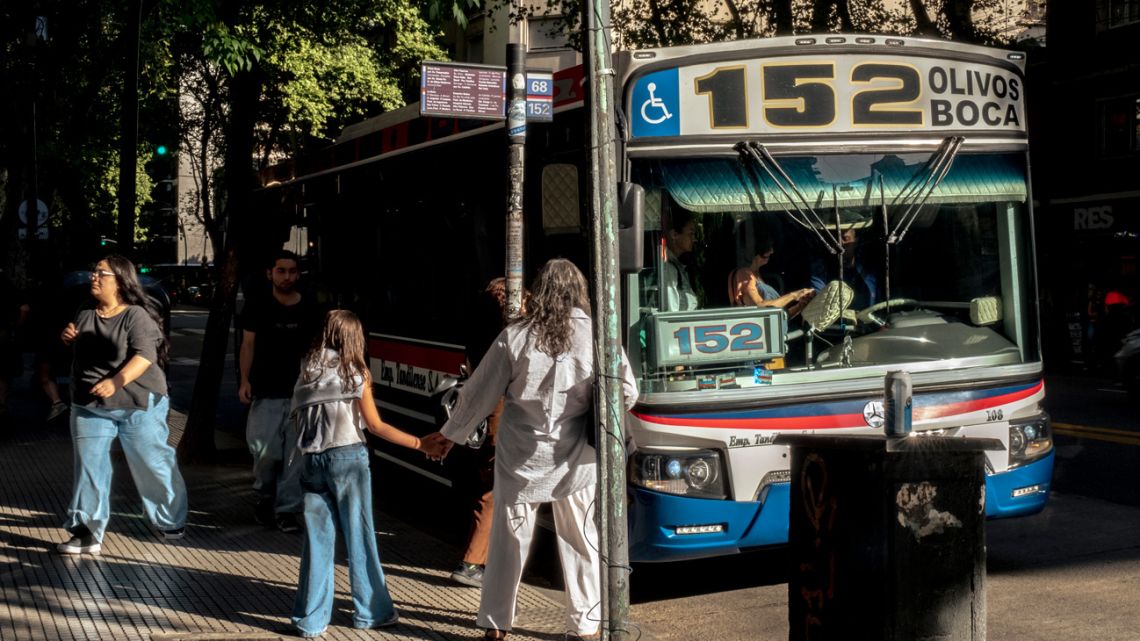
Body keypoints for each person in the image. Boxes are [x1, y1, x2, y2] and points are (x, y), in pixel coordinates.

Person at [427, 259, 639, 641]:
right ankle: (585, 625)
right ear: (580, 293)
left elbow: (478, 393)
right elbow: (627, 390)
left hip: (521, 456)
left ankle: (495, 625)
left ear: (539, 291)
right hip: (577, 458)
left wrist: (448, 435)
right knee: (581, 542)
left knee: (508, 544)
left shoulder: (517, 336)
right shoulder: (597, 336)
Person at [289, 309, 445, 638]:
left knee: (317, 543)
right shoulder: (355, 372)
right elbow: (375, 426)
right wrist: (420, 443)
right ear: (353, 338)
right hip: (347, 458)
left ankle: (310, 621)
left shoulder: (309, 367)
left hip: (311, 461)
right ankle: (372, 612)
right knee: (360, 536)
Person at [56, 255, 187, 555]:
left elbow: (145, 357)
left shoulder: (136, 315)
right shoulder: (87, 310)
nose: (94, 277)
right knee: (91, 467)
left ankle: (169, 518)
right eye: (94, 271)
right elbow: (81, 342)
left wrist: (116, 381)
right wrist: (68, 336)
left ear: (120, 281)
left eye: (101, 273)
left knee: (151, 461)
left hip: (138, 402)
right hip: (90, 404)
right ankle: (86, 532)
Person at [239, 250, 319, 533]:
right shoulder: (257, 305)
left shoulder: (310, 307)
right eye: (281, 271)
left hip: (301, 395)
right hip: (266, 391)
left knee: (295, 458)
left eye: (292, 271)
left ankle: (286, 511)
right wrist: (245, 380)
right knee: (265, 452)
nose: (287, 277)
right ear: (269, 273)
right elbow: (247, 345)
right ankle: (263, 497)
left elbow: (316, 351)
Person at [451, 277, 520, 588]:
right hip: (501, 413)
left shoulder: (477, 330)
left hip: (487, 413)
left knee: (488, 485)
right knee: (493, 490)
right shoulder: (506, 338)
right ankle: (471, 562)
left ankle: (480, 558)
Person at [728, 238, 815, 315]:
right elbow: (760, 308)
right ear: (754, 251)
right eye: (767, 248)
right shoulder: (744, 274)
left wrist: (800, 306)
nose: (772, 251)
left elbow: (779, 317)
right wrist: (794, 295)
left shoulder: (757, 274)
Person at [660, 210, 700, 311]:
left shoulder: (679, 266)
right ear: (674, 235)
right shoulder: (669, 270)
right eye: (691, 233)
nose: (694, 239)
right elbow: (671, 315)